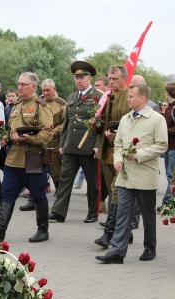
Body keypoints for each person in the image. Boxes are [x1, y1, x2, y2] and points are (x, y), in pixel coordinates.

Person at [95, 84, 167, 264]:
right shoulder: (125, 119)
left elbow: (162, 145)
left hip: (144, 176)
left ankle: (150, 247)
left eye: (131, 96)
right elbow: (118, 144)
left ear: (142, 98)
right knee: (122, 213)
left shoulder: (157, 119)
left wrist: (139, 155)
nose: (127, 99)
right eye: (128, 96)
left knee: (148, 215)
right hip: (125, 175)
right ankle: (117, 252)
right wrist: (117, 159)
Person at [0, 72, 53, 243]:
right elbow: (10, 129)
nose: (19, 87)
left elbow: (48, 133)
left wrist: (30, 138)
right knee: (7, 193)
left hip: (33, 157)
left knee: (38, 194)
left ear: (33, 87)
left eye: (23, 84)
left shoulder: (41, 106)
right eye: (18, 84)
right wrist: (9, 137)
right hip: (14, 158)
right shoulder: (16, 105)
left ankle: (43, 230)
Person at [49, 61, 103, 223]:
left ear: (89, 78)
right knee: (65, 180)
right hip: (71, 146)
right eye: (76, 78)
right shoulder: (72, 97)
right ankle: (58, 212)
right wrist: (62, 144)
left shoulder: (99, 97)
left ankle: (93, 212)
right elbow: (67, 123)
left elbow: (102, 124)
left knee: (92, 183)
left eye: (82, 77)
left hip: (89, 147)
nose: (78, 80)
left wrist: (98, 145)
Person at [94, 65, 131, 248]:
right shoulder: (107, 96)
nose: (110, 82)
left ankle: (110, 233)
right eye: (109, 79)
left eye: (114, 79)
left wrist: (117, 135)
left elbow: (132, 125)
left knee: (117, 192)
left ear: (124, 79)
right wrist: (96, 124)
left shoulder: (129, 97)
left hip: (122, 153)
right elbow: (102, 123)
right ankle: (124, 231)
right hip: (107, 150)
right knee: (112, 191)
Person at [20, 79, 66, 211]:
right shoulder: (37, 102)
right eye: (43, 90)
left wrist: (54, 131)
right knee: (34, 172)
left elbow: (65, 123)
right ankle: (33, 200)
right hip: (38, 142)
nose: (45, 93)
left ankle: (60, 199)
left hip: (55, 142)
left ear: (54, 89)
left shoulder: (62, 105)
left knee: (56, 172)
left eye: (48, 90)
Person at [159, 82, 175, 210]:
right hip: (169, 146)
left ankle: (168, 205)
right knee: (170, 176)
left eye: (166, 91)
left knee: (171, 176)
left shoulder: (174, 108)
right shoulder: (169, 107)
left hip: (173, 147)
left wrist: (164, 130)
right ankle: (167, 203)